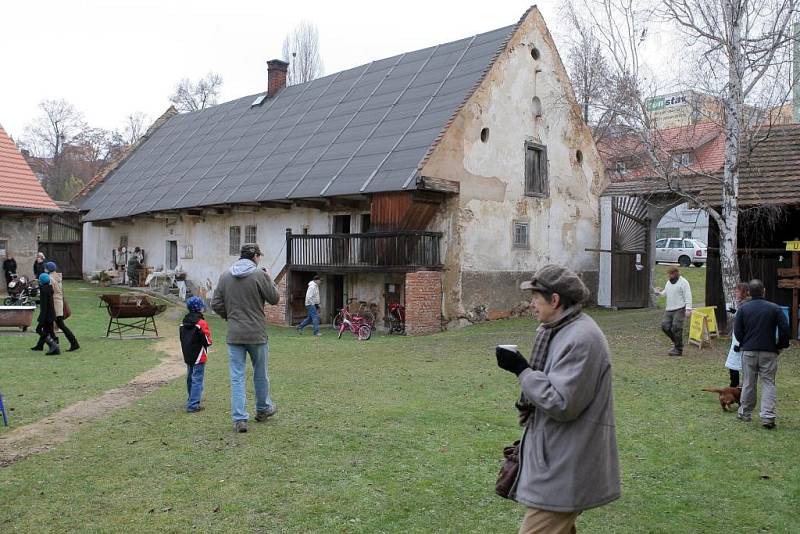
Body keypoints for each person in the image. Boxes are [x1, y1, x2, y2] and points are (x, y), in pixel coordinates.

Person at [495, 264, 620, 533]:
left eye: (535, 298)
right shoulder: (559, 331)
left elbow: (562, 403)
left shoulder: (581, 338)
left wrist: (522, 370)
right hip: (559, 457)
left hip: (568, 463)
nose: (531, 305)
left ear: (555, 300)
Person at [211, 243, 280, 433]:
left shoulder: (225, 275)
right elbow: (275, 298)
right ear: (255, 256)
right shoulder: (259, 274)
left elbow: (215, 303)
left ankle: (240, 419)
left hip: (234, 334)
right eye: (259, 256)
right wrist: (269, 278)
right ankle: (263, 408)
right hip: (257, 334)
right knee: (260, 374)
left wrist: (230, 316)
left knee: (237, 377)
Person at [734, 279, 790, 429]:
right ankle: (768, 417)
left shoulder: (743, 309)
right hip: (769, 351)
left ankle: (745, 413)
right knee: (768, 383)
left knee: (748, 382)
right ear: (763, 291)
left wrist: (745, 342)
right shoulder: (774, 308)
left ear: (749, 293)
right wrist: (780, 346)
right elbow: (785, 329)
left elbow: (738, 332)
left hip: (749, 350)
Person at [180, 296, 213, 413]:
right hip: (199, 355)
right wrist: (209, 342)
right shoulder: (201, 323)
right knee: (197, 379)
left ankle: (191, 399)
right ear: (199, 308)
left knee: (190, 377)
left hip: (188, 354)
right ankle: (193, 405)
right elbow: (207, 340)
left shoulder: (183, 322)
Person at [653, 266, 693, 356]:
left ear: (676, 273)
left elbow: (688, 296)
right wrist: (658, 293)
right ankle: (677, 343)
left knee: (676, 327)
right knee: (665, 326)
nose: (669, 276)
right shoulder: (668, 282)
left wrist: (688, 309)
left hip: (680, 309)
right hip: (669, 309)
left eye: (670, 274)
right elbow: (665, 293)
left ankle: (678, 349)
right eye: (668, 274)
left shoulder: (684, 282)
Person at [44, 261, 80, 352]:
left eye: (46, 268)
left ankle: (73, 343)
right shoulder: (57, 276)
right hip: (58, 301)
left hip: (55, 303)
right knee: (52, 325)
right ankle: (50, 344)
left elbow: (49, 291)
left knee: (58, 324)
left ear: (48, 269)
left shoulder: (50, 278)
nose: (44, 269)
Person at [724, 282, 750, 388]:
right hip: (738, 339)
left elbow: (746, 323)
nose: (736, 293)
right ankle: (736, 385)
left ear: (744, 293)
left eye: (738, 291)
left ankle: (736, 386)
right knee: (734, 364)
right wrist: (735, 312)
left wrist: (740, 343)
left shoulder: (746, 305)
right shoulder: (742, 304)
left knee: (738, 364)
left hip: (741, 341)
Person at [32, 272, 60, 355]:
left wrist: (42, 319)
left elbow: (44, 306)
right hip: (51, 314)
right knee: (50, 331)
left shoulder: (44, 291)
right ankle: (48, 347)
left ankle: (53, 345)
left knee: (39, 329)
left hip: (47, 315)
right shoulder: (48, 288)